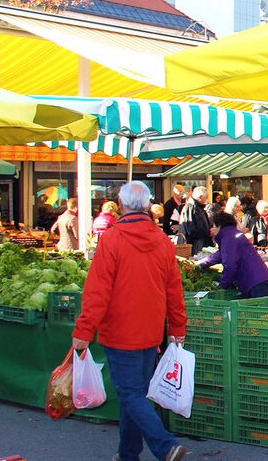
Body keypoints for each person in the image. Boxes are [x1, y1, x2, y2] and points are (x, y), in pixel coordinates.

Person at [71, 182, 188, 461]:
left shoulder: (112, 239)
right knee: (134, 394)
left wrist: (84, 329)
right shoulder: (161, 240)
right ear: (148, 206)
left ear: (121, 205)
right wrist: (177, 326)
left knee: (130, 394)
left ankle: (165, 445)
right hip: (150, 329)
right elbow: (174, 288)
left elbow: (97, 290)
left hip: (120, 329)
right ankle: (128, 454)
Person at [198, 212, 268, 299]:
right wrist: (201, 263)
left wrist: (223, 285)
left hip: (255, 281)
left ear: (219, 225)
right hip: (258, 279)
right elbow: (220, 255)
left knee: (259, 311)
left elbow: (230, 265)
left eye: (214, 226)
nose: (212, 229)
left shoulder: (228, 238)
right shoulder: (231, 235)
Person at [180, 187, 213, 256]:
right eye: (206, 197)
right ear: (200, 197)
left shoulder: (197, 207)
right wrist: (207, 232)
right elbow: (191, 230)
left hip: (200, 242)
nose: (207, 199)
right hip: (196, 243)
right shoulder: (191, 208)